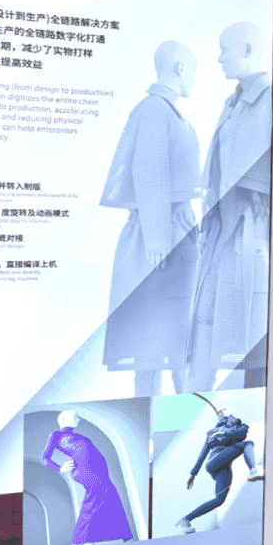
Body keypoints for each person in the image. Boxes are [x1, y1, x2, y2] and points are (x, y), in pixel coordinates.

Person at [101, 41, 201, 396]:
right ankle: (154, 418)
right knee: (155, 342)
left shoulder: (165, 111)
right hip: (162, 239)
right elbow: (149, 172)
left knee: (174, 339)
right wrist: (157, 238)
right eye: (192, 69)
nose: (195, 77)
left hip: (174, 233)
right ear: (179, 68)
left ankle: (180, 415)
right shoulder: (156, 110)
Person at [186, 23, 271, 392]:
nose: (219, 58)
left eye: (225, 49)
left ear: (248, 49)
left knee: (248, 335)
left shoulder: (272, 100)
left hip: (251, 233)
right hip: (224, 231)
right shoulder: (233, 103)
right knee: (207, 325)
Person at [42, 410, 133, 545]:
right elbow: (45, 458)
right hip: (85, 471)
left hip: (99, 473)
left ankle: (93, 540)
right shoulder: (56, 435)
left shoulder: (81, 437)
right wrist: (59, 468)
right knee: (93, 502)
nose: (79, 420)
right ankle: (80, 541)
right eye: (75, 417)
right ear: (64, 419)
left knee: (110, 498)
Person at [174, 408, 263, 534]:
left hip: (223, 466)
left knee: (219, 500)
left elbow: (241, 433)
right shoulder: (214, 431)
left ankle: (185, 520)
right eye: (223, 413)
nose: (224, 414)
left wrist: (230, 427)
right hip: (215, 461)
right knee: (247, 444)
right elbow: (203, 453)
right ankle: (253, 470)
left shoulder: (236, 427)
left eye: (226, 413)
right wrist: (193, 474)